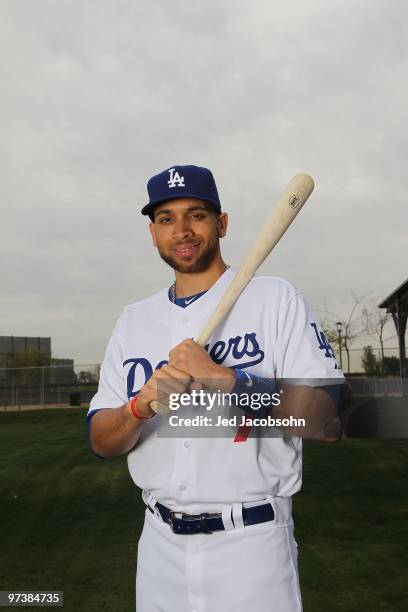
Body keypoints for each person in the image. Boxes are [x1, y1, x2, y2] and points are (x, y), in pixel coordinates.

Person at [87, 164, 345, 612]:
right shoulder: (134, 320)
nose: (182, 230)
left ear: (222, 223)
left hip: (251, 547)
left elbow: (327, 419)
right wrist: (140, 407)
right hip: (158, 547)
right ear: (152, 233)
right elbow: (101, 441)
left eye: (196, 215)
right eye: (166, 219)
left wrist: (227, 380)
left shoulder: (273, 298)